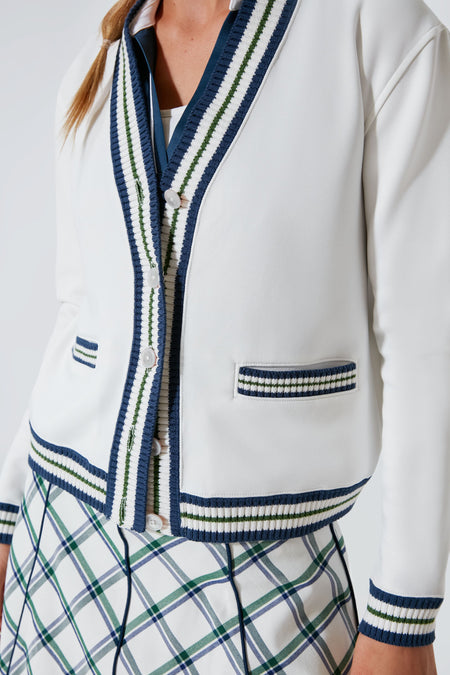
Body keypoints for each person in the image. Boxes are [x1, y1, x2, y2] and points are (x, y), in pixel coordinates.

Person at [0, 0, 449, 672]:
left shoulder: (373, 29)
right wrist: (6, 518)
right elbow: (77, 315)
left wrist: (404, 616)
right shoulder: (98, 65)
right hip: (60, 560)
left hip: (264, 589)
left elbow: (426, 343)